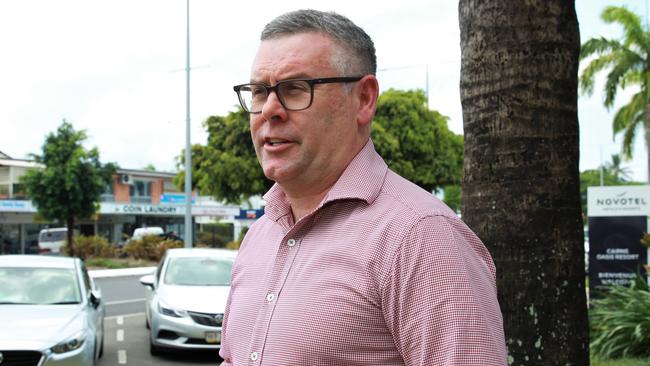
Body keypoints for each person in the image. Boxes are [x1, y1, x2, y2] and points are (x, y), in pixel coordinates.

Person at [220, 9, 507, 365]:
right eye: (260, 92)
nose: (270, 111)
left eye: (295, 89)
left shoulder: (423, 237)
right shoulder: (261, 236)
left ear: (364, 99)